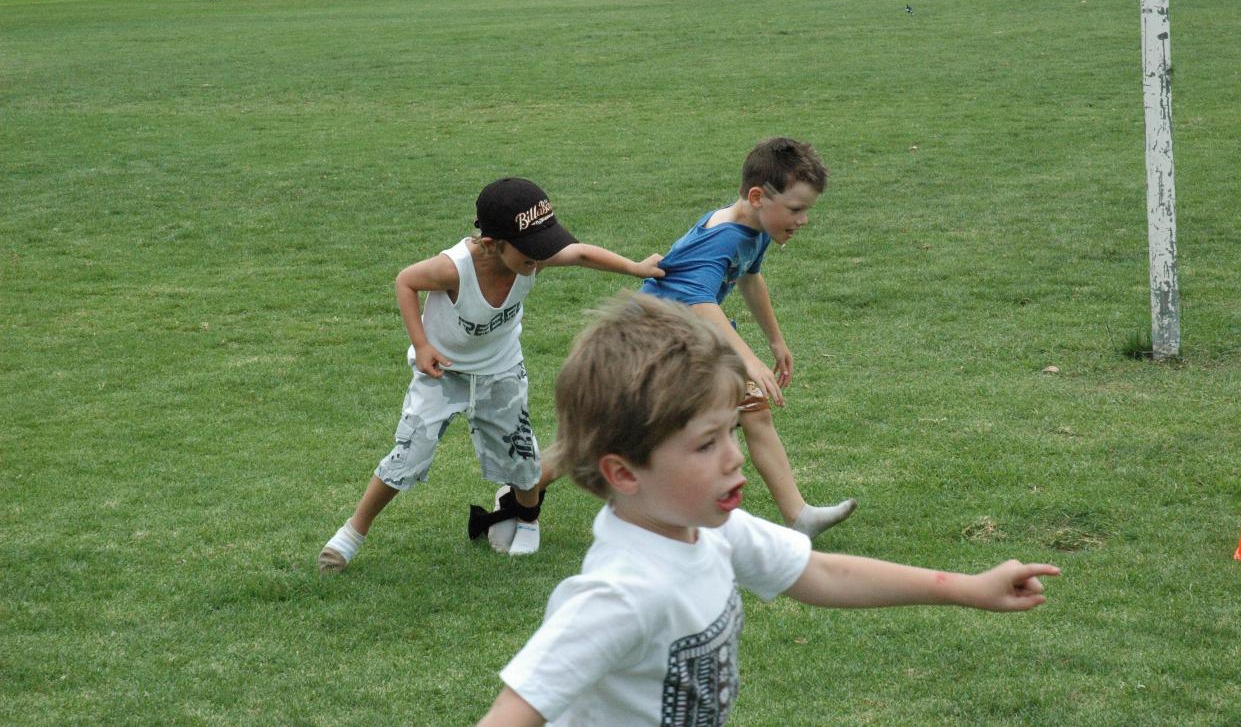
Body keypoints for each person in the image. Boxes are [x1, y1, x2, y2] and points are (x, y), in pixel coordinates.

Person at [477, 294, 1060, 726]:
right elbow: (513, 713)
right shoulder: (618, 595)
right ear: (624, 472)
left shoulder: (712, 531)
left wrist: (967, 588)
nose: (736, 459)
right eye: (706, 445)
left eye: (732, 432)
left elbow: (818, 573)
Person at [318, 178, 664, 572]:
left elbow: (581, 254)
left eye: (542, 248)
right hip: (443, 374)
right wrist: (423, 345)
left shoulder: (532, 256)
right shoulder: (454, 268)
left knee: (522, 453)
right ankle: (352, 533)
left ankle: (529, 522)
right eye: (530, 250)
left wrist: (636, 268)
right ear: (491, 244)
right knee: (409, 454)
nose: (539, 258)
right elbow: (405, 281)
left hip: (500, 371)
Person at [638, 136, 855, 538]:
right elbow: (701, 301)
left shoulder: (754, 228)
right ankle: (525, 490)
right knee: (622, 438)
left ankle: (799, 516)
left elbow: (750, 278)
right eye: (795, 209)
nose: (803, 220)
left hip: (691, 338)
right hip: (654, 343)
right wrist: (749, 359)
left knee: (754, 411)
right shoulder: (725, 237)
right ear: (758, 196)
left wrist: (775, 340)